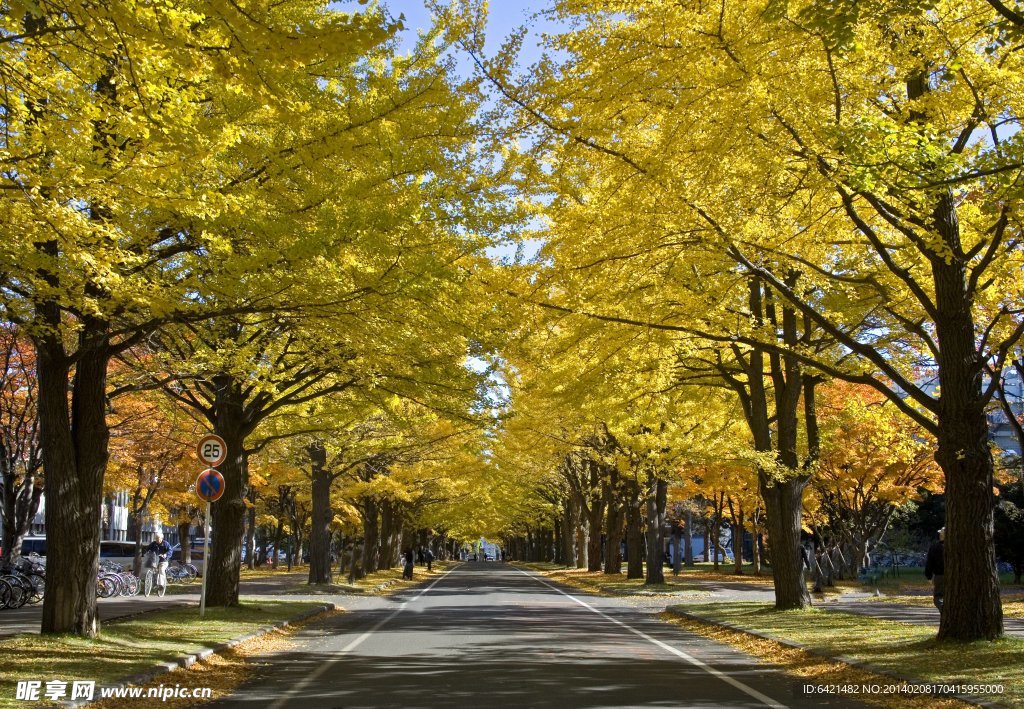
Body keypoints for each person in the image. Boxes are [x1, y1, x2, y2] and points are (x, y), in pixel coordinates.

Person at [924, 527, 945, 611]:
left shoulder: (935, 547)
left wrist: (928, 576)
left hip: (940, 575)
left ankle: (944, 610)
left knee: (938, 597)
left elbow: (930, 563)